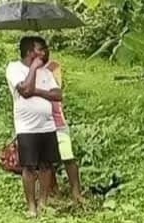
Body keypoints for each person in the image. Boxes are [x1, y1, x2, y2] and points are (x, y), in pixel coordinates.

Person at [5, 35, 62, 217]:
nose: (44, 52)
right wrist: (33, 69)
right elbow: (24, 90)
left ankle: (43, 202)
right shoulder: (14, 68)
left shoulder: (46, 72)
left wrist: (36, 91)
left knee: (46, 165)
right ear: (30, 52)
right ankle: (31, 206)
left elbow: (58, 95)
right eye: (40, 49)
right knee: (29, 167)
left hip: (47, 126)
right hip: (27, 127)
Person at [45, 49, 82, 203]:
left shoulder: (53, 67)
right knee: (46, 161)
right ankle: (53, 191)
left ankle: (76, 192)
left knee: (67, 156)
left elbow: (56, 90)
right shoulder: (27, 72)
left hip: (57, 121)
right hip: (41, 124)